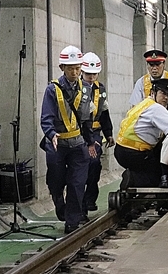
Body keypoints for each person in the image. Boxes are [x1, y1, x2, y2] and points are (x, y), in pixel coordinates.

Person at [39, 45, 98, 234]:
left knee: (77, 183)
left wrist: (90, 142)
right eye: (70, 68)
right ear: (62, 67)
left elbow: (87, 119)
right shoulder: (52, 90)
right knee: (56, 181)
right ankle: (58, 200)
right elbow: (46, 116)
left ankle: (72, 222)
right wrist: (51, 133)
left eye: (77, 68)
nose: (75, 72)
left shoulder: (86, 90)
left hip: (78, 145)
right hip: (57, 145)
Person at [115, 78, 168, 189]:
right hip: (134, 153)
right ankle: (133, 178)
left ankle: (136, 184)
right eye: (162, 93)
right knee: (161, 173)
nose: (166, 97)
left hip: (121, 150)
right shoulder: (157, 109)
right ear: (153, 93)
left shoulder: (144, 104)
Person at [80, 52, 115, 216]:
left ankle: (89, 199)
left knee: (94, 164)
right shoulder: (76, 88)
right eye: (88, 74)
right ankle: (79, 202)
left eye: (94, 74)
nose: (91, 77)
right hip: (78, 134)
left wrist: (108, 133)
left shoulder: (100, 89)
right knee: (79, 168)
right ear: (82, 72)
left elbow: (105, 112)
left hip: (94, 133)